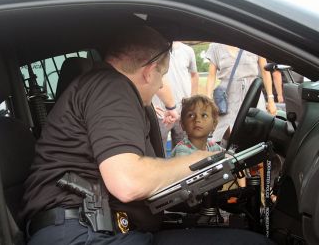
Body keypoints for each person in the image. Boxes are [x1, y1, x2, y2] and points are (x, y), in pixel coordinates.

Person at [21, 26, 274, 244]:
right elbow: (128, 182)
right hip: (83, 235)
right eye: (162, 75)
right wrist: (199, 159)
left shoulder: (105, 90)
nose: (161, 85)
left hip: (99, 230)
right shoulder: (111, 87)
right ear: (149, 70)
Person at [206, 43, 277, 144]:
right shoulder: (215, 47)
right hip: (227, 97)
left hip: (252, 94)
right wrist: (208, 99)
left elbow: (265, 71)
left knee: (257, 135)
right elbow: (211, 76)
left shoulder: (253, 41)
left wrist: (271, 99)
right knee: (224, 137)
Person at [152, 41, 199, 156]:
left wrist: (192, 101)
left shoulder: (187, 51)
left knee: (183, 148)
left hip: (183, 109)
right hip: (160, 112)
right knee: (158, 150)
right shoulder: (153, 49)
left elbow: (194, 75)